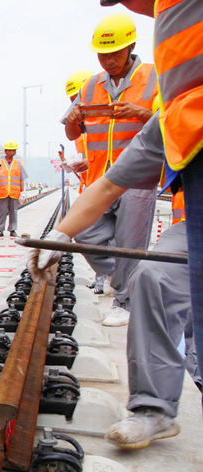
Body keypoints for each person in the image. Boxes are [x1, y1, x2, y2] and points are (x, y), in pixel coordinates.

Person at [35, 0, 203, 472]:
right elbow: (105, 185)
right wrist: (58, 239)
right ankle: (154, 409)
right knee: (153, 275)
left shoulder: (158, 91)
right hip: (187, 221)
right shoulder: (178, 115)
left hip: (162, 205)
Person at [63, 12, 158, 327]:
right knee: (83, 232)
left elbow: (171, 123)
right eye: (102, 55)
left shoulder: (154, 77)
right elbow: (72, 134)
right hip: (100, 178)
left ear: (131, 47)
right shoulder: (91, 85)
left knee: (131, 242)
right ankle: (123, 275)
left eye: (115, 53)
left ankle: (124, 302)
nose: (108, 61)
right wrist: (74, 120)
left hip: (138, 178)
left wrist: (142, 113)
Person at [0, 141, 27, 237]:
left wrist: (23, 192)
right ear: (5, 151)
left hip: (14, 192)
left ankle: (12, 229)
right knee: (2, 211)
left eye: (13, 150)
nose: (11, 152)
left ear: (15, 152)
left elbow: (21, 179)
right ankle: (0, 229)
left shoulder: (18, 164)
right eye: (9, 150)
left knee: (13, 211)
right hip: (2, 191)